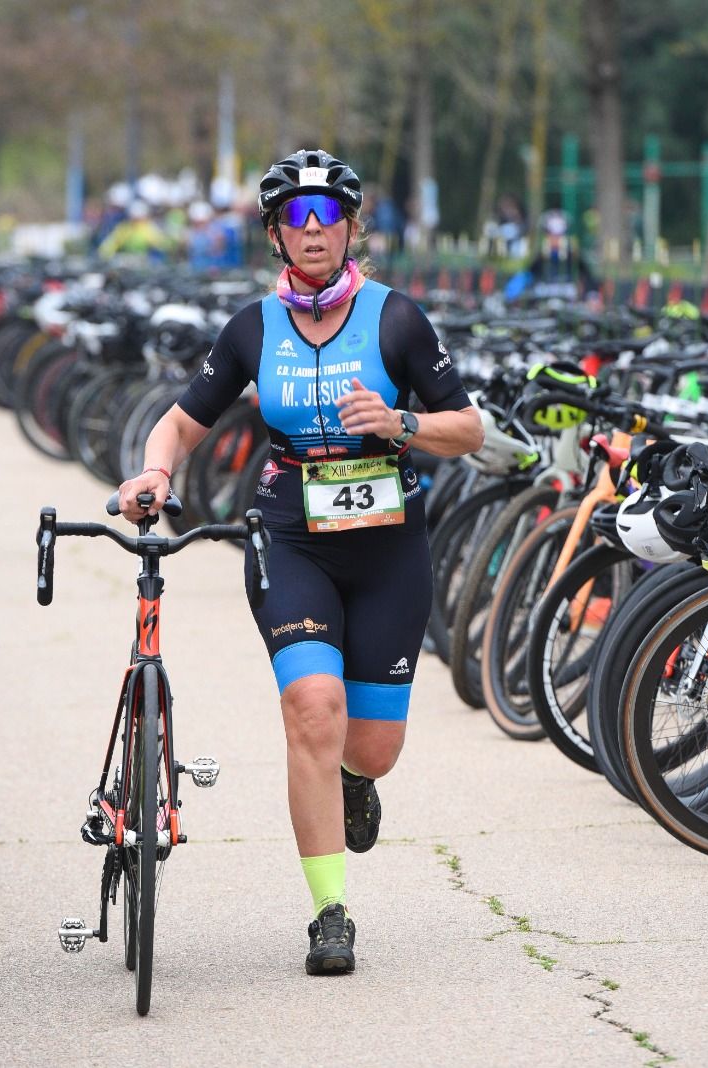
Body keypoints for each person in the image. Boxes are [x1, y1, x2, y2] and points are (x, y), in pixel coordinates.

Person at [115, 149, 483, 975]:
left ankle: (355, 779)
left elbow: (469, 428)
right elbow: (178, 424)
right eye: (295, 218)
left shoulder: (398, 319)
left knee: (372, 746)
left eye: (328, 217)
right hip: (291, 537)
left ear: (352, 229)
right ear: (276, 234)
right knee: (313, 708)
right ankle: (329, 913)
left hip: (390, 546)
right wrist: (155, 471)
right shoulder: (251, 328)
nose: (312, 231)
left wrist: (401, 424)